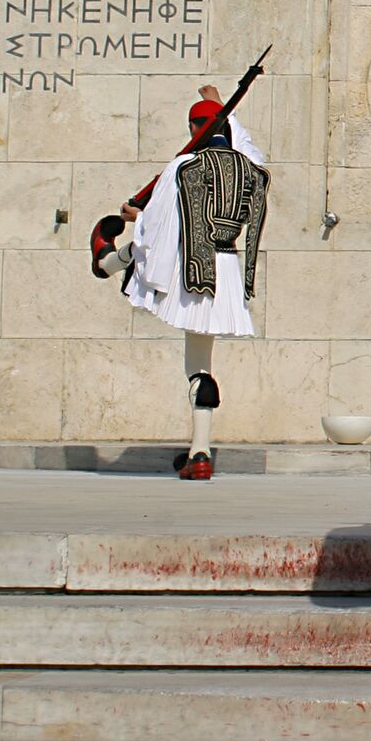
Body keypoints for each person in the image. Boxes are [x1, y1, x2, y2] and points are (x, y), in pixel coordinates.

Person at [95, 86, 269, 482]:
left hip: (194, 270)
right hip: (228, 270)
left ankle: (107, 262)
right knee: (202, 361)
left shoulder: (184, 166)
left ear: (193, 127)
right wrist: (226, 109)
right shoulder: (251, 169)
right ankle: (199, 452)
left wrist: (134, 214)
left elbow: (158, 227)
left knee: (196, 367)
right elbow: (249, 148)